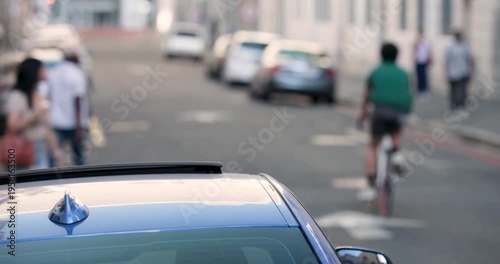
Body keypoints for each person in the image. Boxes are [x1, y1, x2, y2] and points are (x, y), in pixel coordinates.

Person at [358, 43, 413, 200]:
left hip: (380, 110)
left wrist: (363, 112)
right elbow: (407, 92)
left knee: (373, 145)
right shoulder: (404, 73)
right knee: (395, 133)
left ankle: (371, 185)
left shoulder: (376, 72)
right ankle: (396, 155)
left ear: (381, 55)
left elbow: (367, 95)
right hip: (400, 111)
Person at [4, 58, 65, 170]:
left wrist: (57, 153)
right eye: (42, 69)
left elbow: (47, 128)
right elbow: (12, 126)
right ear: (34, 72)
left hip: (42, 149)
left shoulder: (39, 94)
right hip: (25, 150)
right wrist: (35, 114)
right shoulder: (18, 96)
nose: (46, 71)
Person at [48, 48, 90, 166]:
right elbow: (77, 100)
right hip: (74, 123)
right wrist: (79, 127)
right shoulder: (77, 73)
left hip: (57, 121)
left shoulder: (55, 72)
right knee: (78, 159)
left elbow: (50, 96)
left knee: (55, 157)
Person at [444, 31, 474, 110]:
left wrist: (470, 72)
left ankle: (460, 104)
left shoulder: (464, 47)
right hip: (452, 73)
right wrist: (446, 73)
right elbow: (446, 61)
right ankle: (454, 105)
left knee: (461, 91)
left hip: (462, 72)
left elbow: (470, 60)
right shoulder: (451, 47)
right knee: (453, 90)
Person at [414, 29, 432, 97]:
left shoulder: (426, 42)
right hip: (419, 61)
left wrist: (429, 59)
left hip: (424, 61)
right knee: (419, 75)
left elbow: (429, 51)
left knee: (424, 76)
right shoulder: (417, 42)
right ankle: (419, 89)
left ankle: (424, 89)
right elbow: (414, 49)